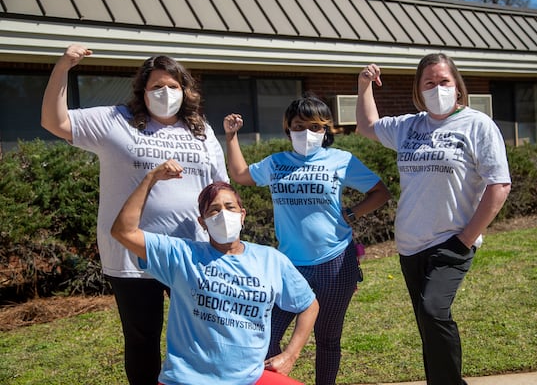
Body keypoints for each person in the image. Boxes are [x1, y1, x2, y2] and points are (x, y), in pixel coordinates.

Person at [41, 44, 229, 385]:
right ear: (142, 91)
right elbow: (54, 121)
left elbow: (219, 188)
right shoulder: (115, 120)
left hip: (191, 252)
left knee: (201, 333)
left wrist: (225, 234)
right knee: (142, 339)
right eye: (156, 86)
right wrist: (64, 67)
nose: (165, 93)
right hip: (132, 254)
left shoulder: (200, 130)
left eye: (173, 86)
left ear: (186, 91)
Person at [355, 53, 512, 385]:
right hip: (410, 245)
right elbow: (366, 127)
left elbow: (499, 184)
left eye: (444, 81)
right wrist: (364, 85)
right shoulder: (410, 126)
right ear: (418, 89)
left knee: (433, 312)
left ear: (457, 87)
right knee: (428, 326)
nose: (437, 88)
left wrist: (465, 239)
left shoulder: (477, 124)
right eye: (430, 82)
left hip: (452, 241)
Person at [223, 95, 392, 385]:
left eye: (315, 126)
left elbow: (380, 192)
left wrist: (351, 213)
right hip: (288, 266)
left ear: (326, 130)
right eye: (299, 126)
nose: (307, 133)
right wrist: (231, 137)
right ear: (288, 128)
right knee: (267, 337)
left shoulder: (342, 160)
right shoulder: (277, 163)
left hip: (335, 263)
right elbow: (240, 175)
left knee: (327, 339)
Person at [110, 162, 319, 385]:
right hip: (187, 380)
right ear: (203, 222)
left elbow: (309, 304)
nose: (223, 214)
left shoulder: (270, 259)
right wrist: (150, 179)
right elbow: (123, 231)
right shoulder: (182, 255)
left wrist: (291, 354)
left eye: (230, 207)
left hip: (248, 378)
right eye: (214, 210)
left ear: (242, 215)